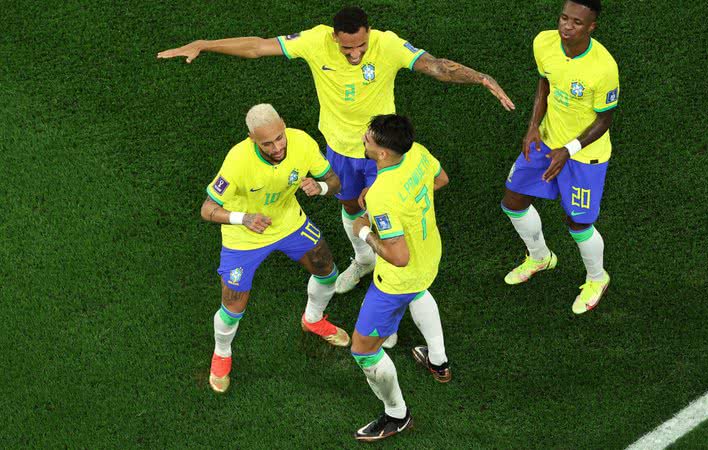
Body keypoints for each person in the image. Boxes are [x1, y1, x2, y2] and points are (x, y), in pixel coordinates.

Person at [159, 6, 514, 295]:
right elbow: (257, 46)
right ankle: (363, 260)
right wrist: (205, 43)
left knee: (386, 213)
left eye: (361, 46)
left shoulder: (388, 45)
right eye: (347, 49)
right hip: (339, 151)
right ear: (334, 38)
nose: (355, 54)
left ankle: (393, 285)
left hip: (381, 153)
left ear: (369, 34)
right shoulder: (315, 41)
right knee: (349, 205)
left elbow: (437, 66)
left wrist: (482, 78)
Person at [200, 104, 348, 394]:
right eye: (267, 143)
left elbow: (335, 181)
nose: (278, 146)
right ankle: (222, 353)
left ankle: (313, 319)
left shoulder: (302, 142)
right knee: (233, 305)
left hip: (289, 222)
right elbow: (208, 209)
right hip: (243, 237)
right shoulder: (237, 161)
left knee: (327, 270)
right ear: (251, 138)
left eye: (280, 137)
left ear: (283, 124)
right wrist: (244, 219)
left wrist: (320, 188)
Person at [502, 0, 618, 314]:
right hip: (546, 140)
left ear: (591, 27)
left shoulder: (603, 67)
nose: (566, 27)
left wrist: (569, 151)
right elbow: (545, 83)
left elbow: (604, 120)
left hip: (584, 155)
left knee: (577, 222)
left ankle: (597, 277)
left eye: (576, 23)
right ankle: (540, 257)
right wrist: (533, 127)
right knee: (513, 201)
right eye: (564, 18)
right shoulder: (544, 42)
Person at [349, 115, 450, 441]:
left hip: (398, 278)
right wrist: (387, 197)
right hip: (429, 252)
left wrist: (365, 230)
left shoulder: (384, 196)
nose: (364, 140)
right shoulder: (418, 152)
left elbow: (398, 256)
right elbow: (441, 180)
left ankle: (397, 415)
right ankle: (438, 362)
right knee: (421, 291)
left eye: (368, 139)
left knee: (363, 350)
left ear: (382, 153)